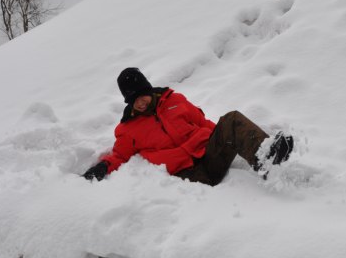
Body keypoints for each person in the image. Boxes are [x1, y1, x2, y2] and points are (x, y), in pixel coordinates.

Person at [82, 67, 293, 186]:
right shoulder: (129, 129)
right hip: (188, 177)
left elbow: (204, 124)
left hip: (209, 158)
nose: (140, 102)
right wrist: (102, 167)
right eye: (133, 100)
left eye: (141, 96)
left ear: (149, 89)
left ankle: (267, 158)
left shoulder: (175, 100)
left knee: (231, 119)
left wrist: (226, 136)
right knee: (227, 125)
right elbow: (120, 155)